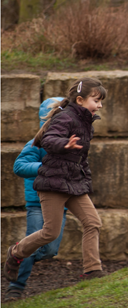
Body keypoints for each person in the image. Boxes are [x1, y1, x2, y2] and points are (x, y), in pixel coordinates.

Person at [3, 78, 107, 282]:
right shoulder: (65, 118)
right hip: (52, 184)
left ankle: (92, 270)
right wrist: (64, 144)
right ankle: (15, 253)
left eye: (101, 101)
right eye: (96, 100)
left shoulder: (87, 124)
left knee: (93, 222)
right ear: (80, 100)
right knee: (50, 233)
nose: (100, 105)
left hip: (73, 184)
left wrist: (83, 179)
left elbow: (81, 159)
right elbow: (48, 140)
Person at [3, 98, 68, 302]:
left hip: (61, 203)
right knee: (32, 244)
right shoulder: (36, 143)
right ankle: (16, 287)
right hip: (37, 203)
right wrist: (43, 167)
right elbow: (19, 166)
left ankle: (20, 253)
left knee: (49, 250)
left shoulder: (71, 143)